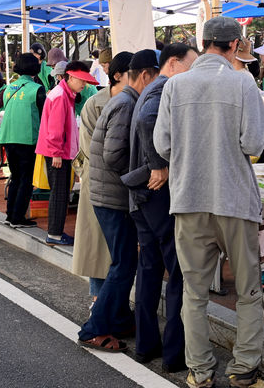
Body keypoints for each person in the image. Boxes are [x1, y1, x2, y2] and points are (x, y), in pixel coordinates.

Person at [153, 17, 264, 388]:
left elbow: (162, 145)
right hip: (233, 198)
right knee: (249, 290)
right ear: (236, 45)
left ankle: (200, 372)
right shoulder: (243, 83)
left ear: (203, 42)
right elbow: (254, 144)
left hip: (188, 198)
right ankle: (244, 369)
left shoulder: (176, 85)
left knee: (194, 291)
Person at [77, 49, 159, 353]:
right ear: (147, 76)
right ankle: (93, 329)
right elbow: (114, 156)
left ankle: (120, 318)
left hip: (108, 193)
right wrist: (146, 172)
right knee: (123, 264)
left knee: (124, 262)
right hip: (111, 196)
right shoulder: (126, 105)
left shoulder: (125, 101)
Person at [128, 43, 198, 372]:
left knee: (151, 269)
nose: (195, 72)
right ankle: (174, 355)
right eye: (192, 64)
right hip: (157, 192)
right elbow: (146, 120)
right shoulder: (166, 87)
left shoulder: (153, 87)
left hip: (141, 194)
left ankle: (146, 346)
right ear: (173, 62)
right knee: (179, 271)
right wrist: (158, 164)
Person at [72, 51, 132, 312]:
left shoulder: (134, 100)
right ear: (117, 75)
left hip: (123, 184)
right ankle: (99, 302)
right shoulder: (95, 103)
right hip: (101, 182)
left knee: (118, 250)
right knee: (98, 246)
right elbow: (95, 149)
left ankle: (113, 304)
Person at [36, 61, 98, 246]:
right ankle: (55, 233)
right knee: (60, 193)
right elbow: (55, 128)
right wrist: (56, 153)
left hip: (59, 151)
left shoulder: (63, 93)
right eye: (81, 81)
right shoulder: (61, 96)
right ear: (70, 77)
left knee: (60, 192)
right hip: (58, 153)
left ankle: (55, 232)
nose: (84, 85)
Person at [0, 53, 46, 228]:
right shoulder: (37, 89)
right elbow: (44, 116)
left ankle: (10, 214)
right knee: (26, 179)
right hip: (27, 138)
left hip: (8, 137)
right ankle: (18, 217)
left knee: (15, 176)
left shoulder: (9, 88)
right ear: (36, 68)